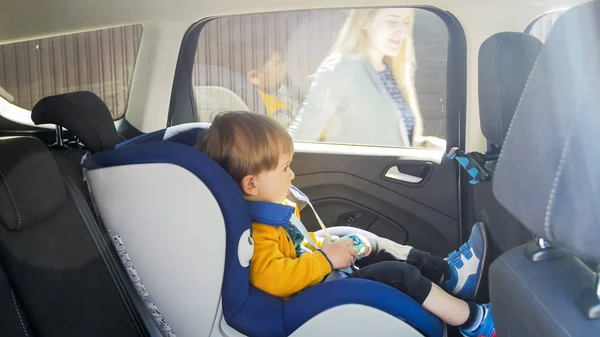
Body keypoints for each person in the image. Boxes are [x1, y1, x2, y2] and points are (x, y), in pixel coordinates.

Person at [196, 111, 495, 337]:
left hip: (319, 274)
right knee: (397, 274)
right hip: (314, 294)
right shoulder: (258, 234)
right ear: (250, 184)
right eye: (285, 168)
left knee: (371, 243)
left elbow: (296, 246)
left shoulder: (274, 213)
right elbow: (277, 278)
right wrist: (326, 259)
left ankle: (448, 274)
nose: (292, 176)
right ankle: (473, 322)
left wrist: (322, 247)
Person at [288, 8, 445, 148]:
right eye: (392, 21)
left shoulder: (392, 70)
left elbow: (385, 137)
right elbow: (301, 135)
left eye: (406, 22)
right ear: (365, 21)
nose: (402, 31)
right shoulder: (342, 68)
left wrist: (423, 144)